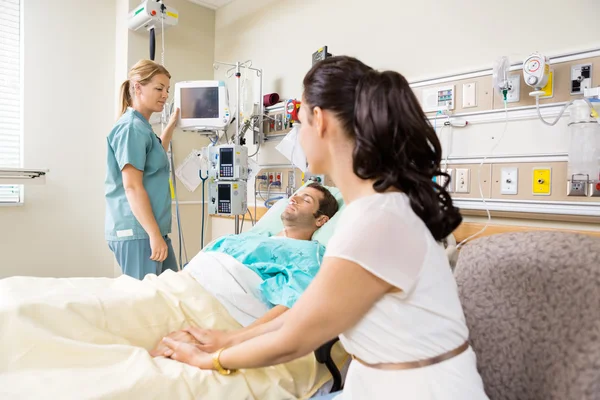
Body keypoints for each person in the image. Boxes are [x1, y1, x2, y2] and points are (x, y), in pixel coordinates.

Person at [158, 56, 489, 399]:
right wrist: (228, 339)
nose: (300, 136)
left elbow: (295, 339)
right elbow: (305, 312)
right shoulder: (376, 209)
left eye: (300, 123)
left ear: (320, 120)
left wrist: (212, 360)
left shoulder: (377, 221)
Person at [150, 182, 339, 356]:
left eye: (306, 200)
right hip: (175, 287)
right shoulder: (254, 237)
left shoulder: (309, 253)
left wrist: (236, 339)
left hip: (217, 306)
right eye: (297, 194)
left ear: (321, 220)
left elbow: (293, 304)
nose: (294, 198)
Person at [105, 60, 181, 280]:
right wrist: (154, 234)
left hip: (151, 229)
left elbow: (155, 157)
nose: (165, 95)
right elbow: (132, 187)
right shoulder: (131, 128)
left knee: (170, 293)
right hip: (139, 231)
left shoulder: (142, 127)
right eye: (159, 88)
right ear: (137, 87)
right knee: (143, 305)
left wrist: (172, 124)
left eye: (167, 89)